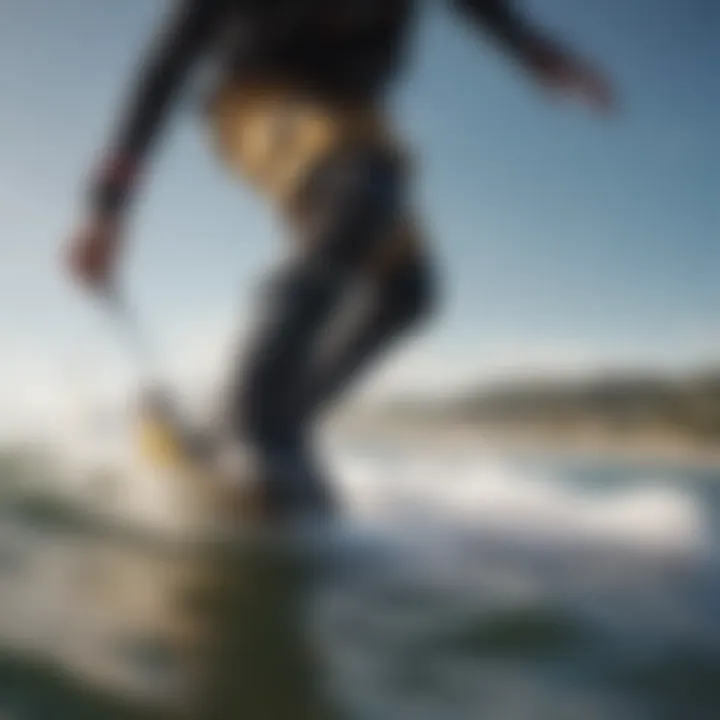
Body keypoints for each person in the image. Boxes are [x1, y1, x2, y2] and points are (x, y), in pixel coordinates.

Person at [65, 0, 614, 519]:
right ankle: (253, 421)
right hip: (257, 94)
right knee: (360, 194)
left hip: (353, 113)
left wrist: (537, 53)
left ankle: (271, 424)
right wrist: (108, 208)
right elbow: (166, 64)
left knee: (409, 292)